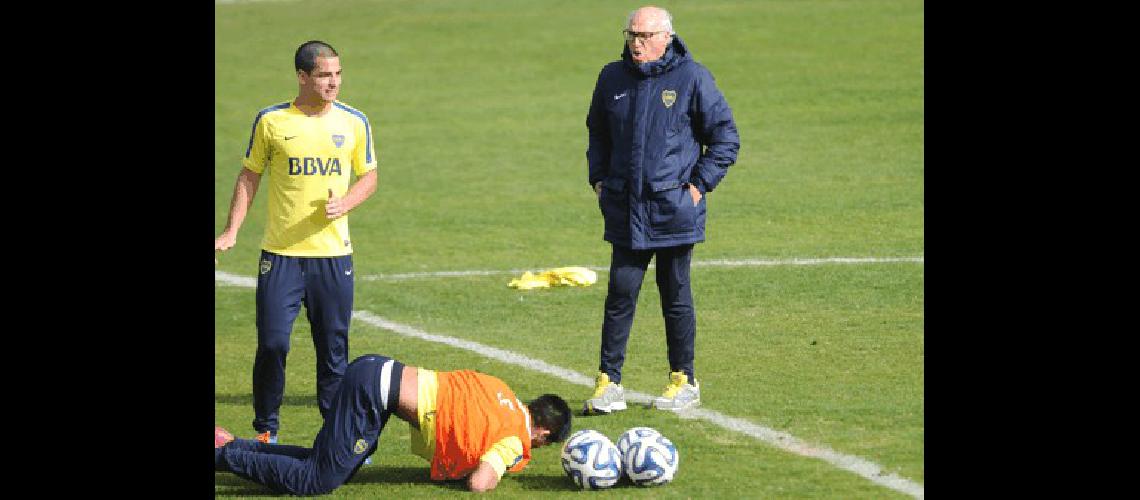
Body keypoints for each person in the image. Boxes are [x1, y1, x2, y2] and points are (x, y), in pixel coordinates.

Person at [214, 40, 379, 444]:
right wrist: (232, 229)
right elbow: (249, 175)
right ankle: (266, 429)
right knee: (272, 344)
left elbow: (370, 176)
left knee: (333, 352)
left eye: (338, 74)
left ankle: (337, 436)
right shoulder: (271, 121)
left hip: (333, 256)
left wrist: (347, 203)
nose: (333, 82)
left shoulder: (355, 122)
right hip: (282, 256)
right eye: (324, 74)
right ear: (302, 77)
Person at [584, 6, 740, 414]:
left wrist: (698, 186)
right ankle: (608, 383)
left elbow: (725, 137)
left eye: (645, 35)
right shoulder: (611, 78)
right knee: (620, 294)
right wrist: (598, 179)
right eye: (631, 34)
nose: (637, 42)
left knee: (675, 296)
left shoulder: (692, 78)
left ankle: (683, 381)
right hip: (624, 208)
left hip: (672, 209)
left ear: (666, 37)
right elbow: (597, 132)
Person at [215, 354, 573, 495]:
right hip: (374, 390)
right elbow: (480, 483)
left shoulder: (502, 390)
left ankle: (236, 446)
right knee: (318, 479)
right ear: (542, 433)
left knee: (337, 464)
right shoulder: (514, 437)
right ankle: (222, 455)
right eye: (541, 444)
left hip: (377, 373)